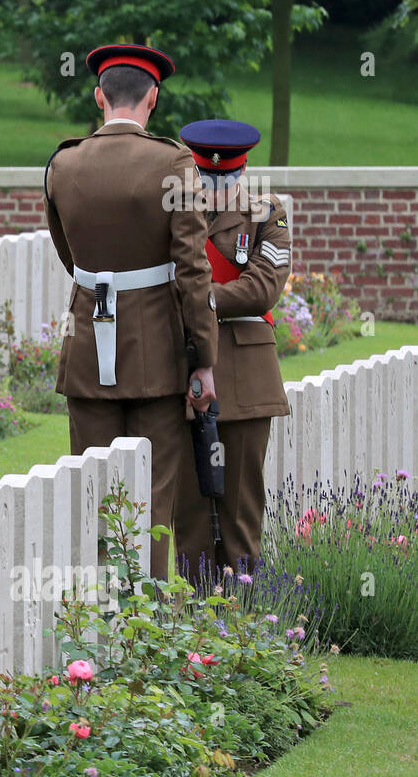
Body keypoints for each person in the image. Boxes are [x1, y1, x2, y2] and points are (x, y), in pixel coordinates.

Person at [44, 43, 218, 578]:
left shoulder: (63, 162)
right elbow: (192, 268)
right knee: (152, 500)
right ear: (153, 98)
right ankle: (148, 621)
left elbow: (68, 254)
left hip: (86, 341)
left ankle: (95, 620)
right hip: (155, 352)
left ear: (99, 95)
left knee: (92, 495)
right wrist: (204, 357)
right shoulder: (172, 162)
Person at [173, 119, 291, 576]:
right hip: (183, 370)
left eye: (225, 180)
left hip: (246, 375)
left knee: (241, 512)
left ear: (242, 173)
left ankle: (242, 627)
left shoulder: (267, 211)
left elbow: (262, 287)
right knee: (190, 517)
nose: (215, 188)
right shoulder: (175, 208)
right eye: (206, 178)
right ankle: (190, 625)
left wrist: (197, 300)